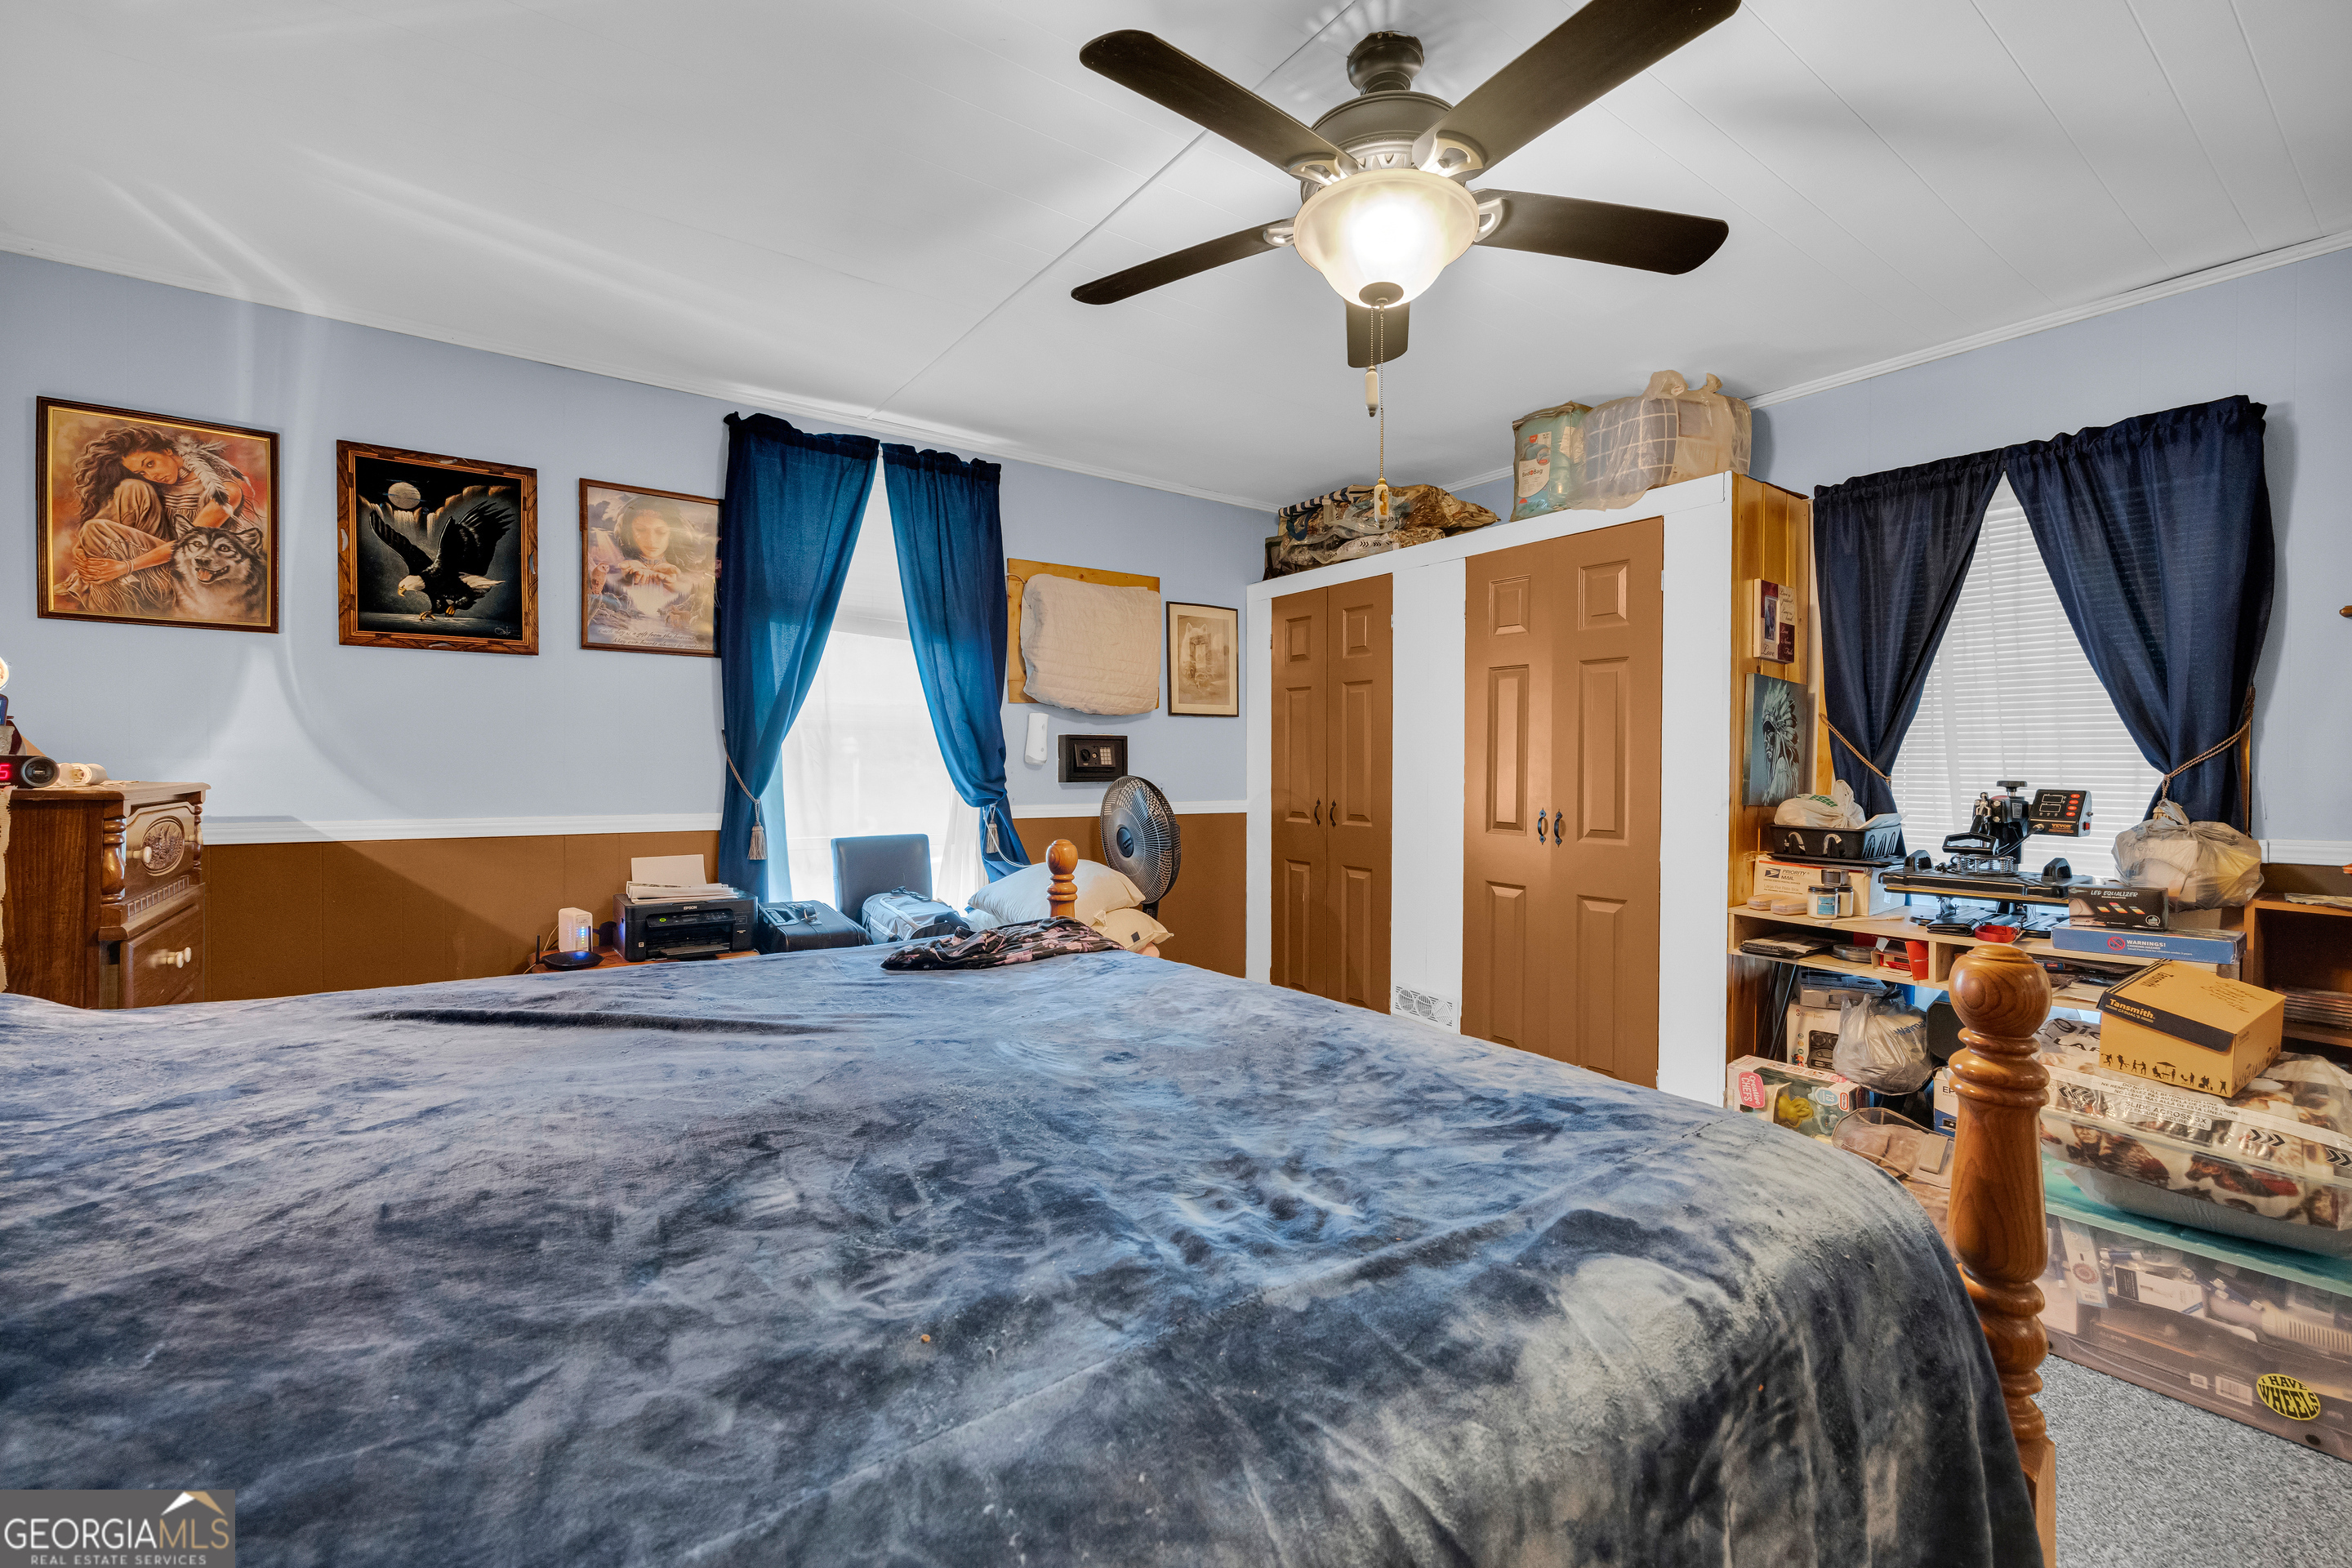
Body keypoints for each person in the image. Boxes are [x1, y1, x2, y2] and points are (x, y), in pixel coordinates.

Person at [57, 424, 264, 619]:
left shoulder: (224, 491)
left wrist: (126, 567)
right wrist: (81, 551)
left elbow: (187, 545)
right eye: (143, 472)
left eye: (150, 463)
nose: (152, 475)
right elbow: (104, 526)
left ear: (167, 451)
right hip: (145, 558)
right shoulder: (151, 487)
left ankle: (107, 602)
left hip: (187, 566)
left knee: (98, 525)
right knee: (131, 488)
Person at [586, 499, 713, 648]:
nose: (651, 540)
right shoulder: (615, 571)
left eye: (660, 531)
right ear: (629, 533)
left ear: (672, 534)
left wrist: (677, 584)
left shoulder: (697, 578)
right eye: (640, 530)